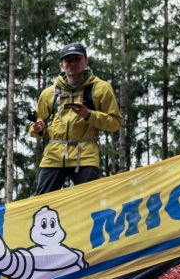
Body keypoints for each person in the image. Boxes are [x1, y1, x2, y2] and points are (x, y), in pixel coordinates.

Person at [30, 42, 122, 196]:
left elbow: (115, 123)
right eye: (68, 60)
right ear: (61, 65)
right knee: (42, 203)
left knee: (88, 202)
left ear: (86, 60)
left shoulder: (101, 88)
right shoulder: (49, 93)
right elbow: (38, 122)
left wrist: (89, 115)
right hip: (53, 155)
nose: (72, 64)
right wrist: (38, 128)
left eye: (77, 59)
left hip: (85, 155)